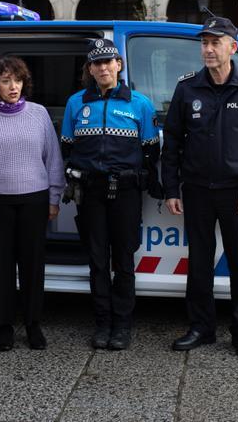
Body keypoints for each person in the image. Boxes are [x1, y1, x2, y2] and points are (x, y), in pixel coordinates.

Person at [161, 16, 238, 360]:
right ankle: (201, 327)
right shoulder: (187, 88)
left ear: (233, 47)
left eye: (216, 42)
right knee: (199, 262)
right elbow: (173, 141)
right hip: (197, 188)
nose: (208, 49)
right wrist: (172, 189)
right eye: (205, 43)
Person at [60, 38, 163, 350]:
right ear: (90, 69)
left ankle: (122, 326)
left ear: (119, 65)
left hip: (126, 193)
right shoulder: (76, 103)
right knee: (97, 261)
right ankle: (103, 323)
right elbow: (67, 148)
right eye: (97, 63)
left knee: (124, 260)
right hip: (90, 192)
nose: (103, 68)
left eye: (108, 62)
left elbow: (151, 152)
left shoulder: (140, 104)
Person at [0, 57, 64, 351]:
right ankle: (5, 325)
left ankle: (33, 324)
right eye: (6, 80)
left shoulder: (39, 114)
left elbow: (53, 159)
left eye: (18, 80)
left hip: (35, 199)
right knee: (1, 265)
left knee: (33, 265)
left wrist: (54, 198)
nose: (13, 86)